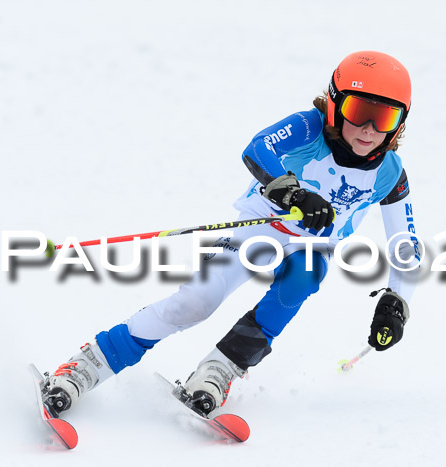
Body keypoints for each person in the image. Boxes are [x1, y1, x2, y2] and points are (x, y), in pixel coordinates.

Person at [41, 50, 422, 418]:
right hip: (261, 224)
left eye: (385, 118)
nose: (369, 129)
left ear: (400, 124)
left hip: (309, 246)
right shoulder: (309, 127)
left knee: (300, 282)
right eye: (359, 112)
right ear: (336, 104)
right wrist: (293, 192)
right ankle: (89, 363)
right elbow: (258, 148)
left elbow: (404, 242)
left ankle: (219, 370)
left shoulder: (389, 173)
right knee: (196, 303)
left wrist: (395, 303)